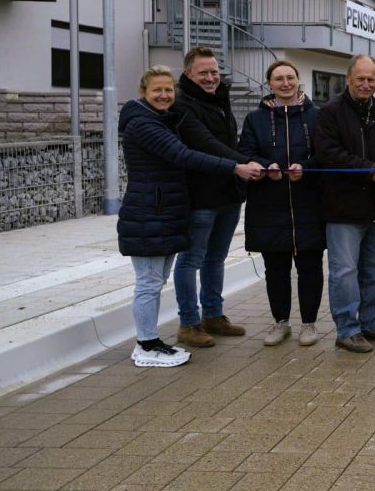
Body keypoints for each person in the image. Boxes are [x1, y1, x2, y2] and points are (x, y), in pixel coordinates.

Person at [118, 66, 259, 367]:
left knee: (156, 280)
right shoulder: (144, 124)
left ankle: (151, 340)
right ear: (144, 92)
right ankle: (145, 344)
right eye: (157, 90)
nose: (164, 95)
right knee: (148, 282)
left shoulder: (161, 118)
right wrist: (235, 167)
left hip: (163, 210)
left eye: (168, 90)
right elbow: (183, 154)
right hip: (148, 211)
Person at [314, 54, 375, 353]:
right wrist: (370, 169)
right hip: (344, 207)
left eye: (371, 79)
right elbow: (329, 154)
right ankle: (347, 328)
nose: (366, 84)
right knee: (344, 271)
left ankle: (370, 321)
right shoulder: (329, 113)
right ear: (348, 79)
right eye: (360, 79)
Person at [172, 47, 263, 348]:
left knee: (216, 258)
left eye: (214, 72)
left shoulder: (219, 97)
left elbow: (226, 139)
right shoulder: (182, 104)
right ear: (188, 74)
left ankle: (212, 314)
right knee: (191, 260)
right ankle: (188, 323)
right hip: (200, 197)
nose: (211, 78)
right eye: (203, 73)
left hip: (228, 194)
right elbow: (205, 144)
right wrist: (242, 164)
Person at [238, 60, 326, 347]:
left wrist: (307, 168)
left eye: (290, 77)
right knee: (275, 270)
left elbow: (326, 154)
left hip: (309, 203)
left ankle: (309, 324)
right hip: (269, 204)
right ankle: (280, 322)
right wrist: (267, 165)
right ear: (270, 84)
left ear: (299, 80)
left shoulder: (317, 116)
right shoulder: (255, 119)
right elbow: (246, 151)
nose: (285, 83)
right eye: (279, 79)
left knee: (309, 268)